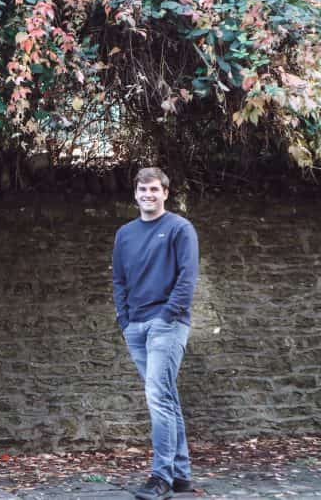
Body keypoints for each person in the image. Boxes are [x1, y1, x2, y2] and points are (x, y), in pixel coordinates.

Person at [112, 167, 199, 500]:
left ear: (165, 192)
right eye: (142, 189)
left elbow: (187, 278)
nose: (147, 195)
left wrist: (167, 316)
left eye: (153, 189)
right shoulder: (125, 234)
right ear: (135, 193)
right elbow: (119, 280)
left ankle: (160, 477)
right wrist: (125, 319)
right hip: (135, 326)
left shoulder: (179, 228)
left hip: (168, 324)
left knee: (157, 397)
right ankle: (181, 476)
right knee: (166, 396)